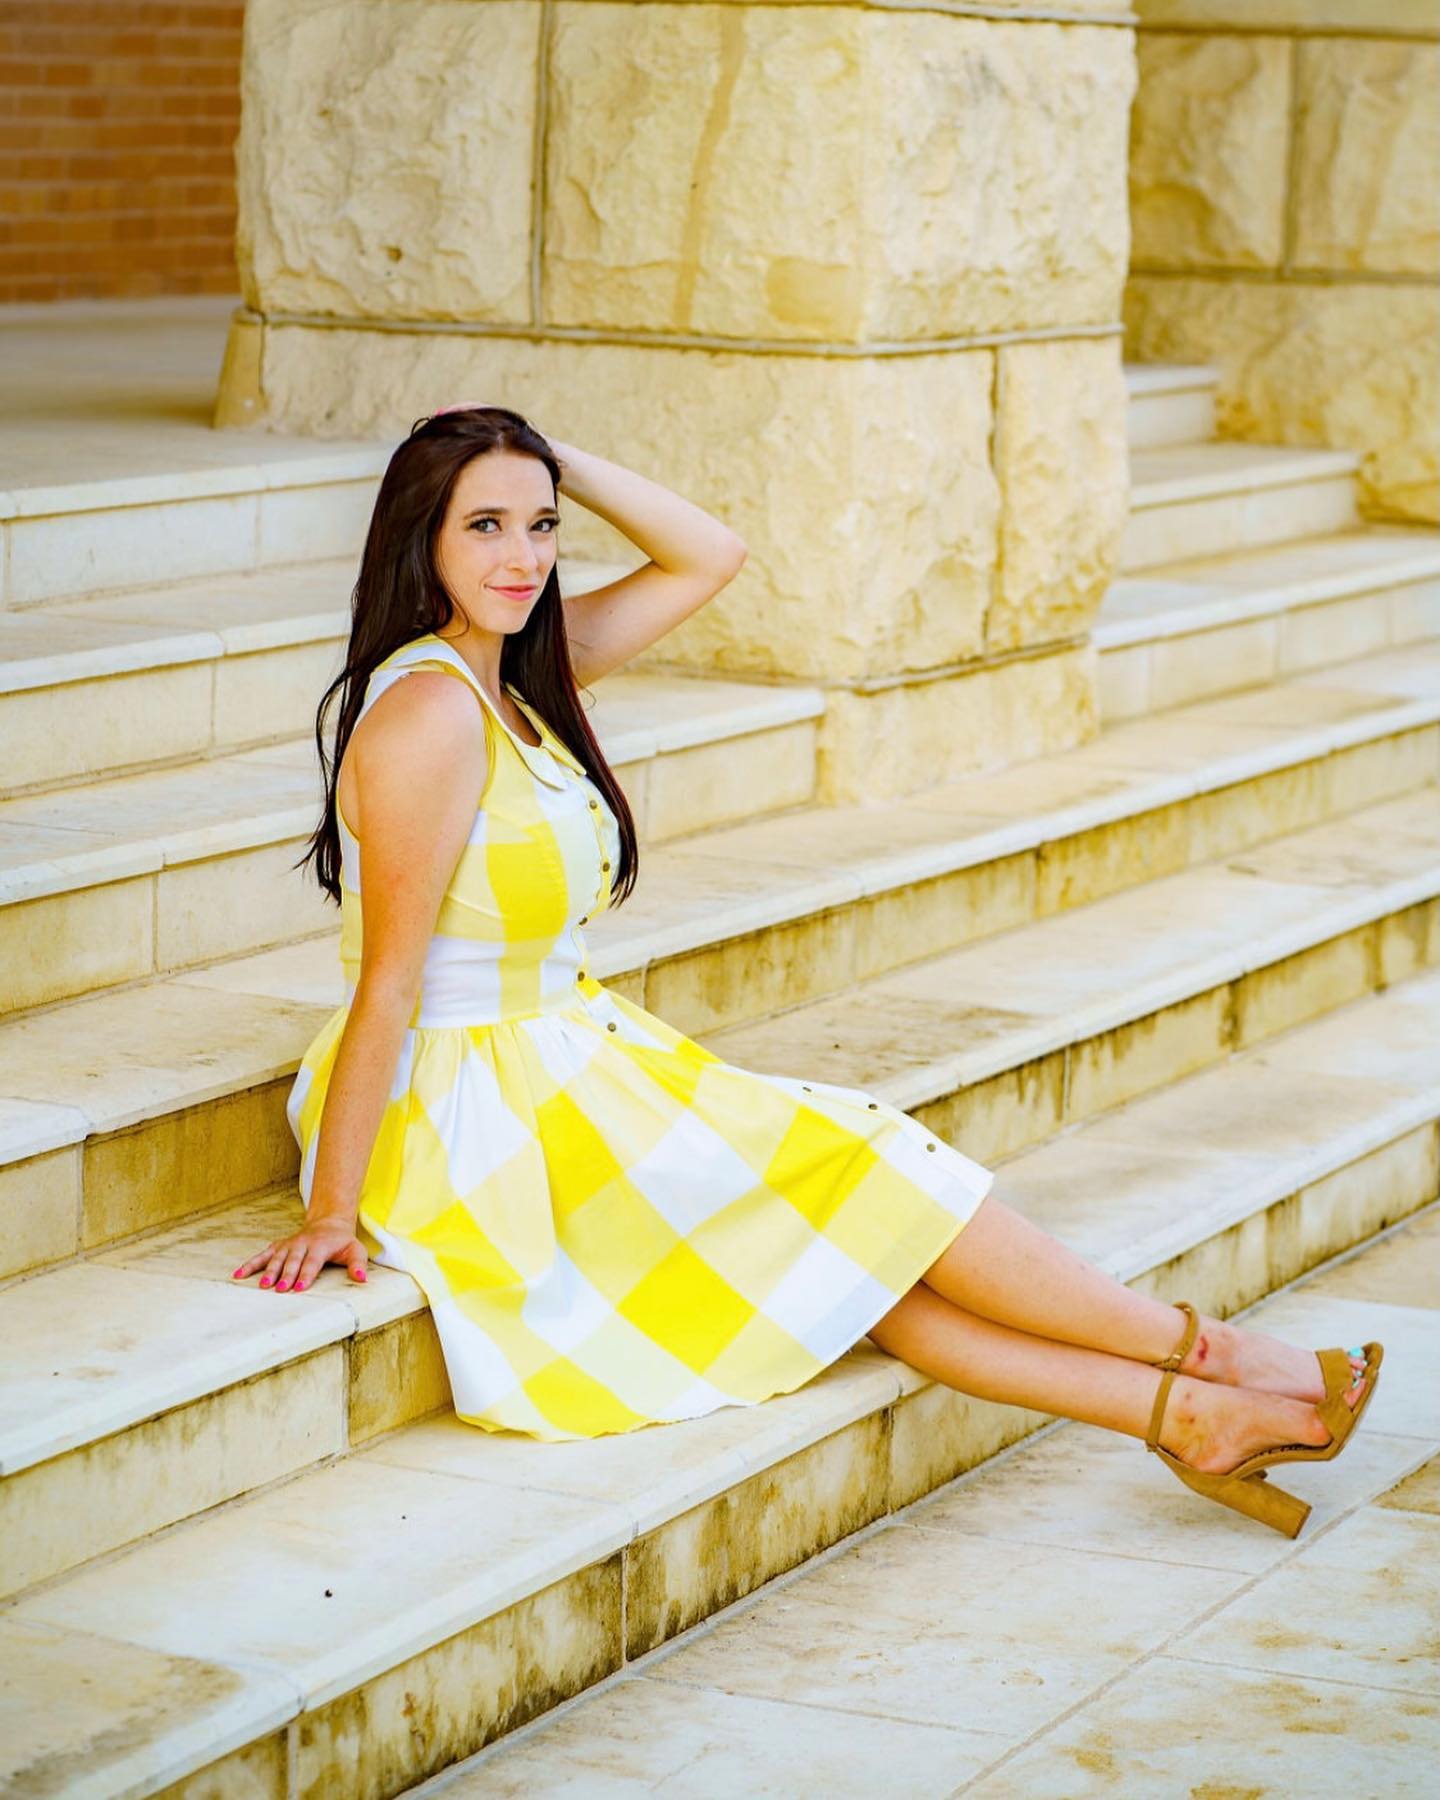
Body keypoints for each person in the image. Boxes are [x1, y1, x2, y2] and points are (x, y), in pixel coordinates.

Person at [232, 405, 1381, 1539]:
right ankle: (1221, 1358)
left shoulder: (519, 671)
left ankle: (1192, 1415)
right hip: (475, 1110)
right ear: (419, 534)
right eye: (484, 525)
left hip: (565, 1059)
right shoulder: (430, 712)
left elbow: (709, 554)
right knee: (868, 1178)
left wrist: (542, 453)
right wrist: (334, 1207)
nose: (524, 557)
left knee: (867, 1252)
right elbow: (389, 985)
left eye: (543, 526)